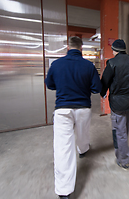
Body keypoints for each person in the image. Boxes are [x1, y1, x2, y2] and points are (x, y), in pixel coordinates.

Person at [45, 36, 102, 199]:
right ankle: (83, 150)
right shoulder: (88, 65)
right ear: (81, 48)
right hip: (83, 108)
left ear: (68, 47)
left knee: (63, 148)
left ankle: (64, 192)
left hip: (62, 110)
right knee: (83, 134)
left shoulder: (56, 64)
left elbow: (50, 84)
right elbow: (97, 88)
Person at [100, 39, 129, 170]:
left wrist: (103, 93)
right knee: (125, 129)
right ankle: (122, 153)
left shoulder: (112, 63)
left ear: (115, 50)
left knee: (120, 132)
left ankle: (123, 160)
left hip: (117, 104)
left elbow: (104, 82)